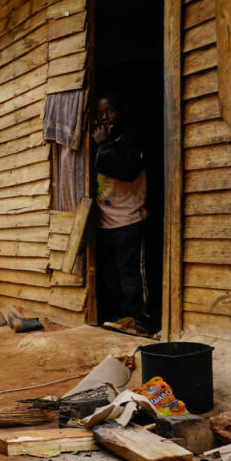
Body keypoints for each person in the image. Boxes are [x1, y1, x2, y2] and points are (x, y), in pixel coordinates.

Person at [92, 95, 150, 332]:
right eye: (100, 113)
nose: (105, 117)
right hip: (104, 222)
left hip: (130, 220)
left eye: (110, 111)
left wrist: (103, 145)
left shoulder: (132, 140)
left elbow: (125, 170)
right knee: (110, 276)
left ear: (121, 112)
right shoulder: (98, 141)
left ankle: (138, 320)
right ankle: (117, 319)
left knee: (130, 275)